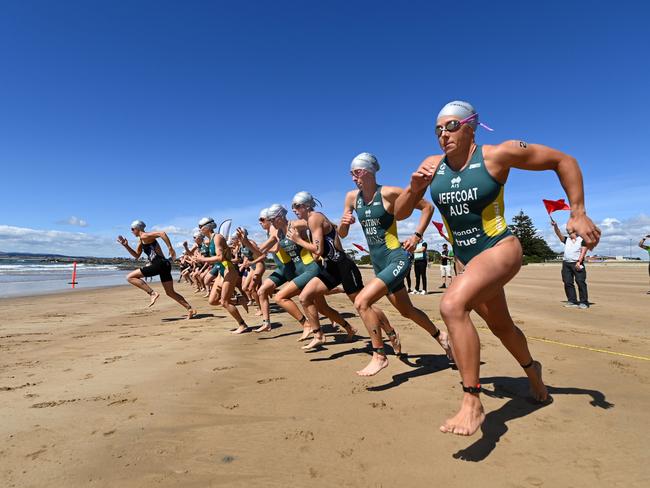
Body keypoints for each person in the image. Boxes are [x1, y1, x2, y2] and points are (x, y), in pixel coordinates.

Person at [394, 100, 600, 436]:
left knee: (451, 304)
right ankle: (535, 376)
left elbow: (564, 160)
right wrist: (415, 188)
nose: (443, 134)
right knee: (502, 327)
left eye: (452, 126)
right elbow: (402, 212)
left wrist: (577, 211)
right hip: (467, 260)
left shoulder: (497, 155)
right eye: (438, 129)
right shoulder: (432, 165)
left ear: (472, 126)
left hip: (500, 248)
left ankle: (471, 401)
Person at [339, 152, 452, 376]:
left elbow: (427, 207)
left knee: (362, 301)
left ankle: (379, 354)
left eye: (357, 172)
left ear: (369, 171)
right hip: (378, 263)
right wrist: (344, 224)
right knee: (407, 310)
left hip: (396, 257)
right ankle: (441, 336)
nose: (353, 178)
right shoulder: (352, 197)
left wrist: (417, 236)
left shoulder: (389, 193)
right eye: (351, 173)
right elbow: (342, 234)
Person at [289, 191, 401, 353]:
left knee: (362, 304)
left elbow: (318, 250)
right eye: (292, 207)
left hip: (344, 267)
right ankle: (318, 335)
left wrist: (298, 240)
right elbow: (298, 224)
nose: (294, 209)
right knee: (305, 297)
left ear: (306, 206)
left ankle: (390, 331)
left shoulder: (314, 218)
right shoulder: (309, 220)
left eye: (297, 206)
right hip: (330, 268)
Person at [117, 220, 195, 319]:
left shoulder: (145, 236)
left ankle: (152, 293)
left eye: (132, 229)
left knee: (130, 277)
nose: (131, 231)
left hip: (159, 264)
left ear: (137, 229)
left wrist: (170, 248)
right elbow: (136, 255)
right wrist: (126, 245)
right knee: (170, 292)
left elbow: (162, 233)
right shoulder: (142, 240)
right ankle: (190, 309)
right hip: (165, 264)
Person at [195, 217, 249, 334]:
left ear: (207, 227)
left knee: (224, 302)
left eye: (200, 227)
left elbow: (220, 257)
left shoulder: (217, 237)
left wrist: (202, 259)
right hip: (221, 272)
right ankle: (239, 299)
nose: (199, 230)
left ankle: (242, 324)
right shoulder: (210, 240)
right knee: (213, 301)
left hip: (228, 270)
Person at [552, 219, 589, 308]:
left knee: (580, 282)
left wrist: (579, 261)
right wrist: (555, 226)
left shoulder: (582, 240)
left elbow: (583, 251)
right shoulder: (567, 240)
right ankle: (572, 300)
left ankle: (584, 302)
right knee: (567, 282)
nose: (568, 232)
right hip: (566, 264)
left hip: (577, 263)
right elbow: (558, 234)